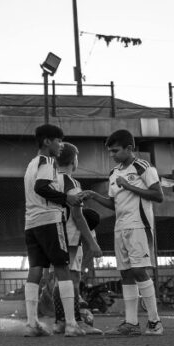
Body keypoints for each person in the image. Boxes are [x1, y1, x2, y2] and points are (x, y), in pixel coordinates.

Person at [81, 129, 165, 336]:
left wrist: (128, 186)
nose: (113, 155)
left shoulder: (143, 167)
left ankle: (155, 322)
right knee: (125, 273)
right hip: (121, 226)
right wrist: (93, 195)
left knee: (138, 271)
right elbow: (113, 203)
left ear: (130, 148)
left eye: (116, 151)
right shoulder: (114, 173)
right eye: (110, 152)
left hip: (139, 225)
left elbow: (158, 195)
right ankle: (131, 322)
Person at [22, 124, 84, 337]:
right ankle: (71, 324)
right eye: (58, 140)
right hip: (49, 220)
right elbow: (41, 187)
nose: (60, 145)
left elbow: (35, 188)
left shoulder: (31, 164)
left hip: (31, 223)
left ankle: (32, 323)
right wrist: (67, 198)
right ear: (47, 141)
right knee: (63, 268)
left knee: (35, 271)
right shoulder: (47, 161)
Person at [51, 142, 104, 335]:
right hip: (70, 236)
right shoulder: (71, 183)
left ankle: (59, 321)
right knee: (72, 278)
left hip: (54, 234)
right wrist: (92, 242)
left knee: (61, 278)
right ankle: (76, 321)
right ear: (74, 160)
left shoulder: (49, 181)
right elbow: (77, 215)